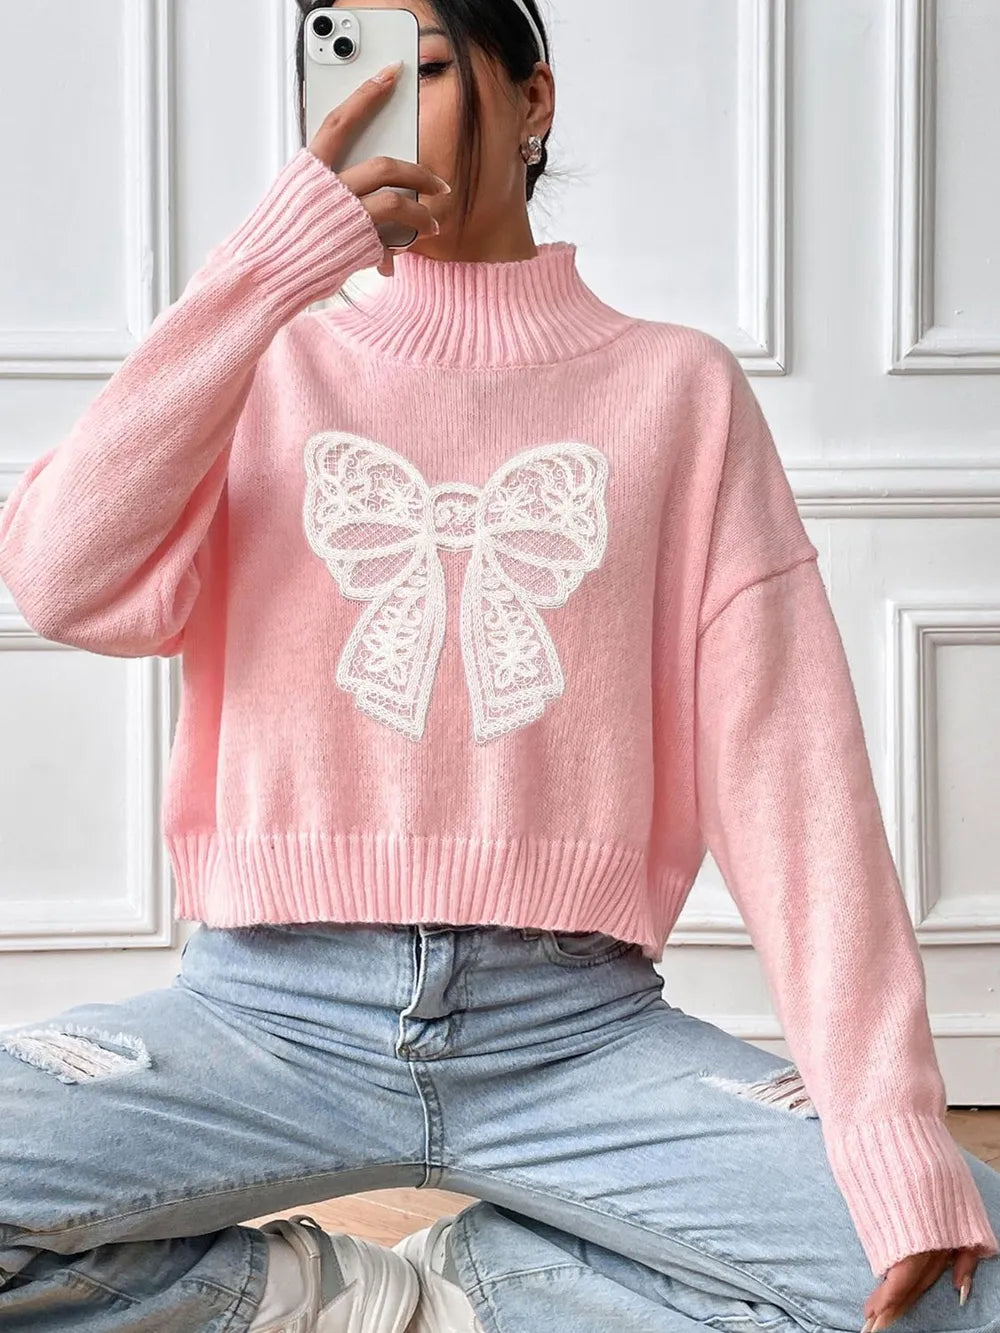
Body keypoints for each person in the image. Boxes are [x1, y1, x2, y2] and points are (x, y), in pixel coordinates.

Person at [0, 1, 997, 1331]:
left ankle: (495, 1286)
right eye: (346, 74)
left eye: (421, 68)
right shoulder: (269, 359)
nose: (381, 109)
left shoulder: (677, 391)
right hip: (262, 1015)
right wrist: (262, 278)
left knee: (962, 1277)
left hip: (573, 1036)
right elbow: (64, 576)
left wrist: (890, 1128)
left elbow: (793, 776)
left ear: (532, 99)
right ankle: (303, 1295)